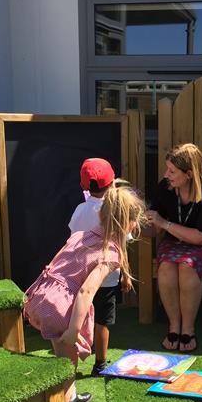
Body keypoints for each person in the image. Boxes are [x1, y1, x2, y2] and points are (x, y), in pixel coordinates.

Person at [24, 186, 146, 402]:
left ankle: (69, 399)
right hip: (59, 305)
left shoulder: (84, 234)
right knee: (67, 368)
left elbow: (58, 262)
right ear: (130, 223)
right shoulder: (110, 252)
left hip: (41, 295)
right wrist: (73, 329)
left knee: (62, 359)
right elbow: (86, 291)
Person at [144, 143, 202, 352]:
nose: (166, 175)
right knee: (166, 265)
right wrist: (136, 224)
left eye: (172, 171)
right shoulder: (165, 187)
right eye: (167, 169)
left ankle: (188, 329)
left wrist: (164, 224)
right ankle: (174, 325)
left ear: (189, 174)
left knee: (187, 266)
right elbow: (153, 230)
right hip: (176, 243)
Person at [68, 158, 129, 376]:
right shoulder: (115, 210)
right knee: (103, 321)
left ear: (84, 185)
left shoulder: (80, 209)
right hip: (107, 277)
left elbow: (73, 236)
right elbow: (124, 242)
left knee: (79, 317)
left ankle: (71, 363)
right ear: (112, 182)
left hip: (81, 274)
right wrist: (126, 276)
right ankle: (100, 363)